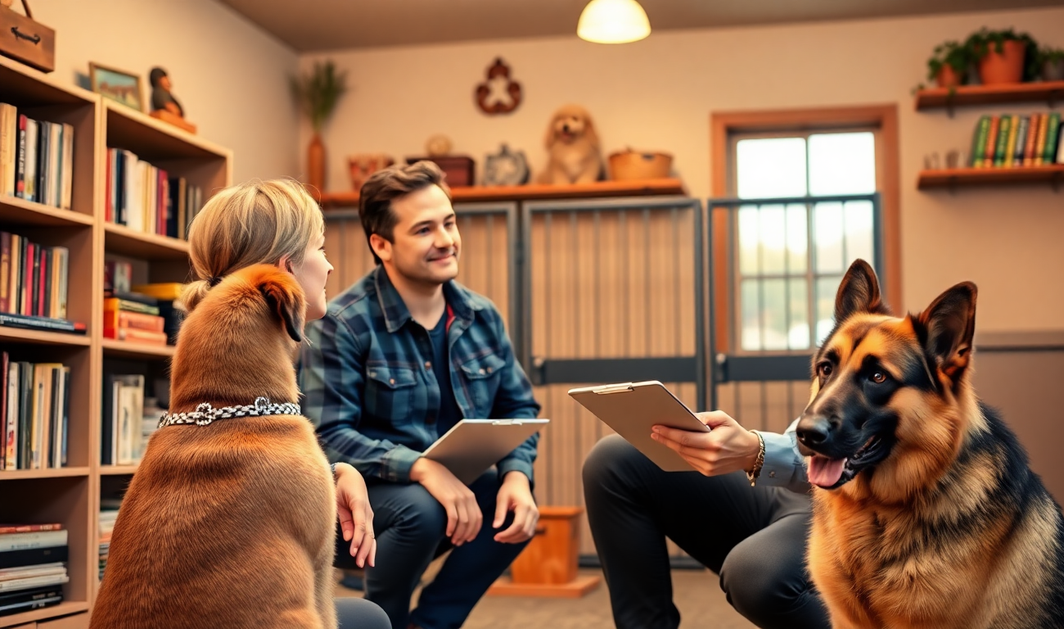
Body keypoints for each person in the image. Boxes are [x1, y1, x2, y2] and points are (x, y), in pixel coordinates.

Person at [299, 161, 541, 629]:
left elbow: (518, 407)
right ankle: (384, 619)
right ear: (382, 245)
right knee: (421, 509)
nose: (446, 240)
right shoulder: (342, 323)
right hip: (358, 505)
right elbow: (325, 437)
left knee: (513, 500)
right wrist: (422, 467)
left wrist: (517, 475)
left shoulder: (481, 316)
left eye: (449, 223)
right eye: (425, 229)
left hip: (446, 492)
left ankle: (430, 624)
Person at [182, 178, 391, 629]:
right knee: (371, 619)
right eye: (321, 248)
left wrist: (334, 473)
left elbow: (247, 468)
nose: (330, 266)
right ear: (286, 271)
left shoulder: (209, 371)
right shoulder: (252, 388)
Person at [582, 411, 829, 629]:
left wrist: (757, 449)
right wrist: (761, 450)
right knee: (614, 459)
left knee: (755, 573)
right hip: (802, 484)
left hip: (849, 504)